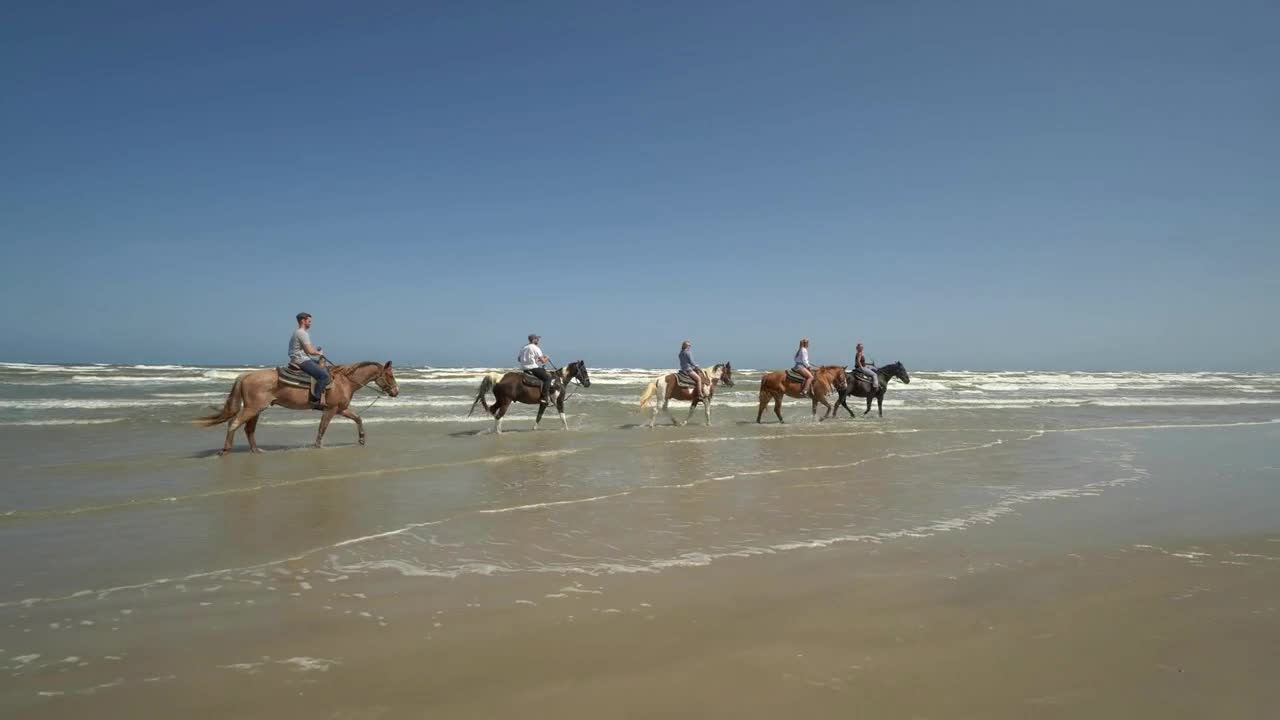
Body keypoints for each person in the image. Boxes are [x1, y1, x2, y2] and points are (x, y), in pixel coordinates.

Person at [289, 312, 329, 409]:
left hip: (300, 357)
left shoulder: (298, 332)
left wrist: (316, 351)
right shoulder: (302, 333)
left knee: (324, 367)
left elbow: (309, 348)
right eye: (309, 321)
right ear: (303, 321)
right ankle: (315, 400)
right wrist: (319, 353)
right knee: (323, 375)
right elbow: (310, 351)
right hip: (301, 360)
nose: (311, 323)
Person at [518, 333, 555, 406]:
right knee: (548, 378)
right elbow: (543, 361)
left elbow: (519, 359)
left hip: (525, 369)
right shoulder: (536, 348)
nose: (538, 340)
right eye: (537, 339)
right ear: (534, 340)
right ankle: (544, 397)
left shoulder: (524, 348)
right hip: (533, 368)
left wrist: (534, 359)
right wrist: (547, 357)